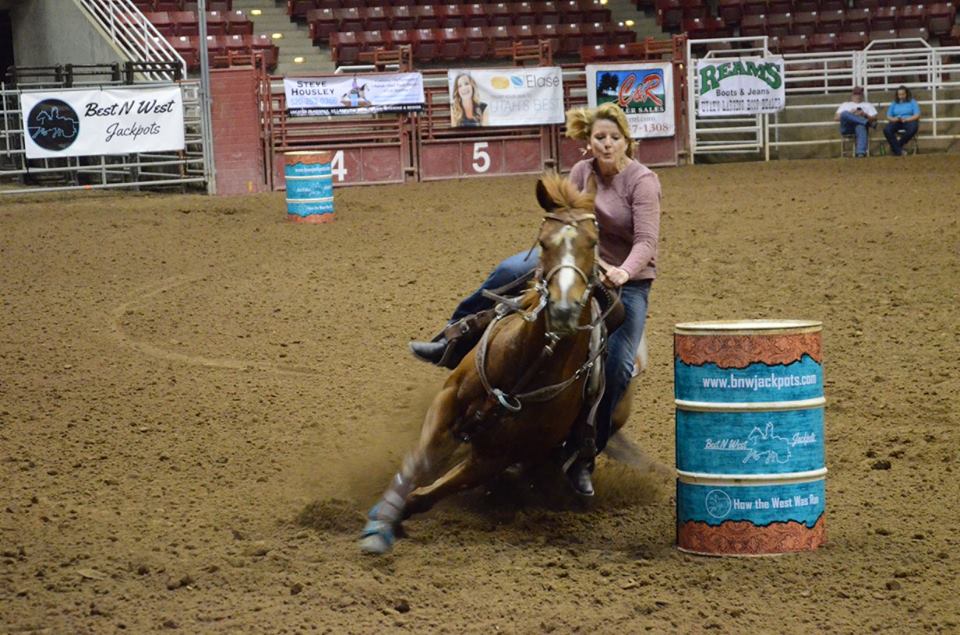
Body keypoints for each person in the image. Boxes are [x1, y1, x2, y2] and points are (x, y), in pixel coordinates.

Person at [409, 102, 662, 497]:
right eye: (599, 138)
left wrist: (623, 272)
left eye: (614, 138)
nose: (607, 144)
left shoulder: (642, 181)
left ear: (626, 139)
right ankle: (450, 338)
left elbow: (646, 241)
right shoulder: (582, 173)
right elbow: (563, 221)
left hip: (626, 281)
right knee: (507, 273)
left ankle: (583, 457)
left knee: (617, 367)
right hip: (576, 263)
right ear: (589, 142)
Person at [834, 86, 878, 157]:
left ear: (862, 95)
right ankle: (866, 122)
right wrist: (850, 114)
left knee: (860, 126)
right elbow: (836, 118)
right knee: (844, 113)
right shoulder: (845, 104)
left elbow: (875, 118)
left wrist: (864, 114)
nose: (857, 96)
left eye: (859, 94)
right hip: (847, 127)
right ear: (852, 95)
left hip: (859, 126)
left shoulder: (867, 105)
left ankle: (860, 153)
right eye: (855, 94)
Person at [883, 85, 921, 156]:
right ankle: (899, 151)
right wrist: (895, 119)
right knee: (887, 130)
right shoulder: (894, 103)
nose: (901, 96)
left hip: (909, 120)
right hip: (897, 120)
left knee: (913, 128)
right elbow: (888, 116)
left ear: (906, 94)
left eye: (903, 94)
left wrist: (907, 119)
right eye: (899, 94)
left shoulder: (912, 102)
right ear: (897, 95)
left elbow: (917, 115)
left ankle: (897, 146)